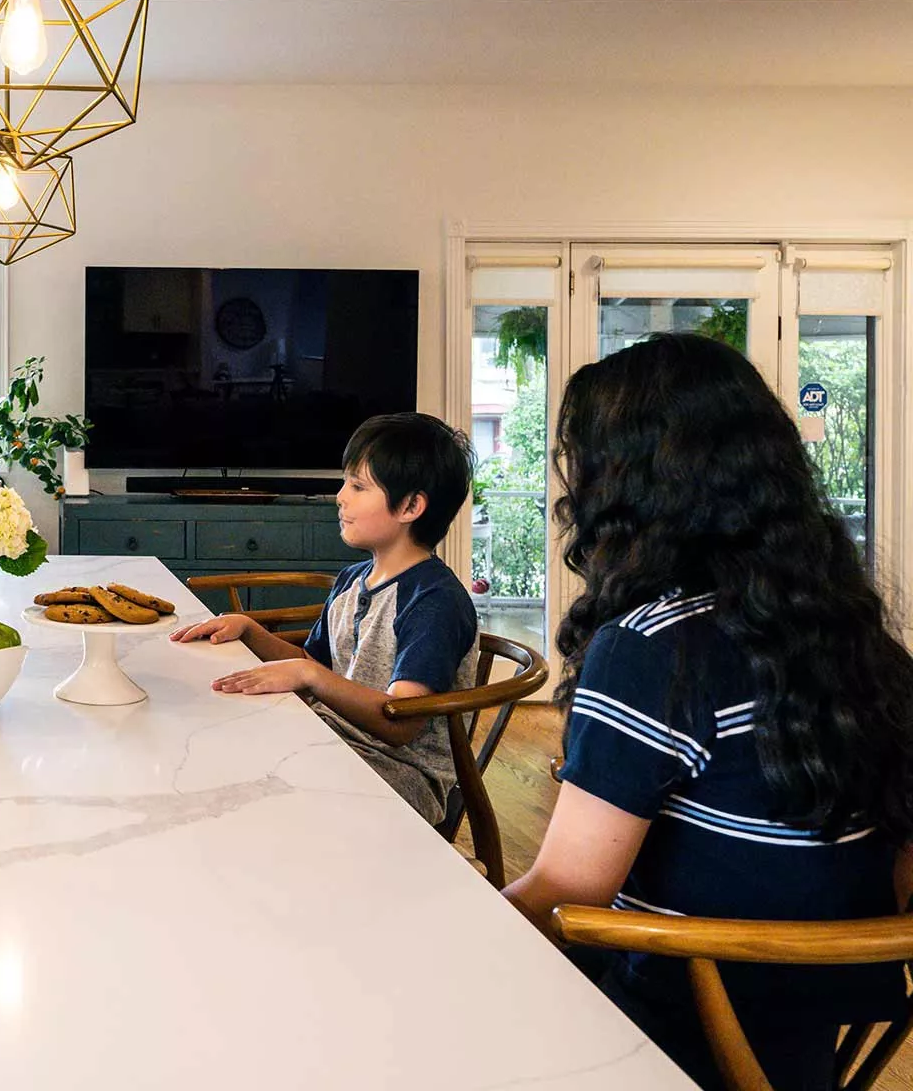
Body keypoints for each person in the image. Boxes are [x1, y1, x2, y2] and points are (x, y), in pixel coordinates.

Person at [502, 334, 913, 1091]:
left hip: (675, 1032)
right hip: (803, 1033)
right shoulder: (847, 630)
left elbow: (568, 890)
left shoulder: (657, 647)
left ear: (628, 484)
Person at [171, 413, 479, 822]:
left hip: (400, 777)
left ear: (410, 506)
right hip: (332, 742)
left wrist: (310, 676)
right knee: (217, 745)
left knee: (247, 789)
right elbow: (317, 666)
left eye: (358, 486)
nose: (340, 496)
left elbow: (400, 724)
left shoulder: (434, 600)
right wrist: (250, 631)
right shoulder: (353, 580)